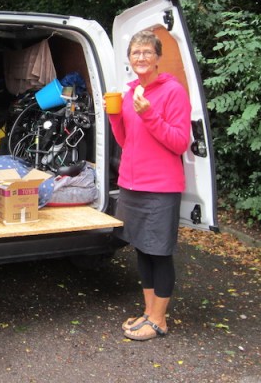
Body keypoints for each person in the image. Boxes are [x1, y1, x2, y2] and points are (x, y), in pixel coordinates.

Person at [107, 30, 191, 341]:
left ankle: (159, 320)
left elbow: (179, 142)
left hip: (160, 186)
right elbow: (125, 141)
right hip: (132, 184)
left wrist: (150, 114)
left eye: (147, 52)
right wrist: (115, 117)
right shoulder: (130, 93)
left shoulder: (172, 91)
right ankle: (148, 311)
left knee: (159, 252)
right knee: (142, 249)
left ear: (157, 58)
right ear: (129, 59)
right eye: (135, 52)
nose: (141, 57)